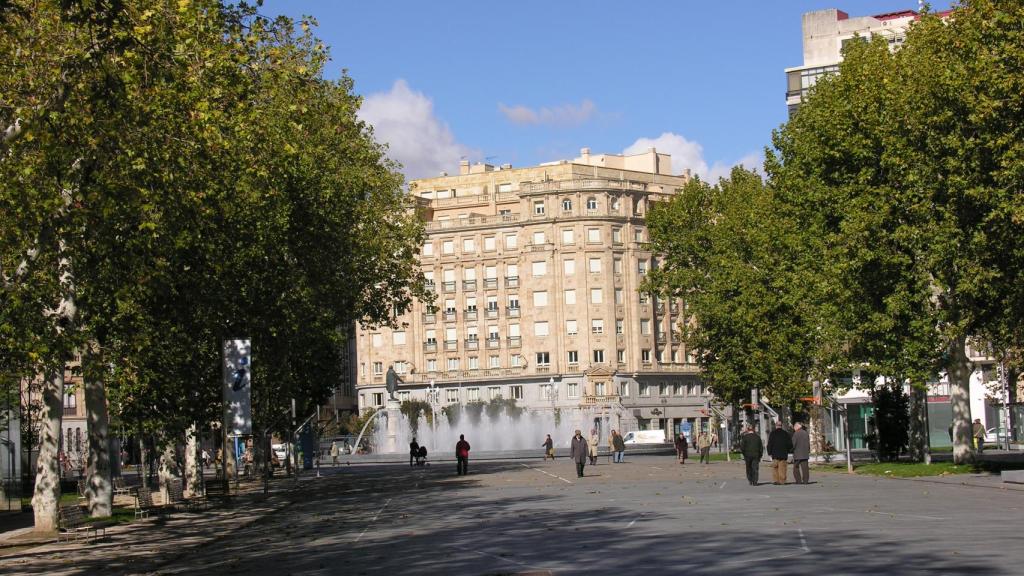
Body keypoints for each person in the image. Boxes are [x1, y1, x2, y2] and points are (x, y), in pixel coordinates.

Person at [767, 421, 793, 485]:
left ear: (776, 426)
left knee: (775, 467)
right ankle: (782, 480)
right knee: (783, 468)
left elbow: (770, 443)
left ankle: (776, 480)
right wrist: (788, 450)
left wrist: (769, 452)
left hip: (775, 453)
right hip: (783, 453)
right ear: (781, 426)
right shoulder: (786, 434)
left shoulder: (772, 433)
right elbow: (790, 444)